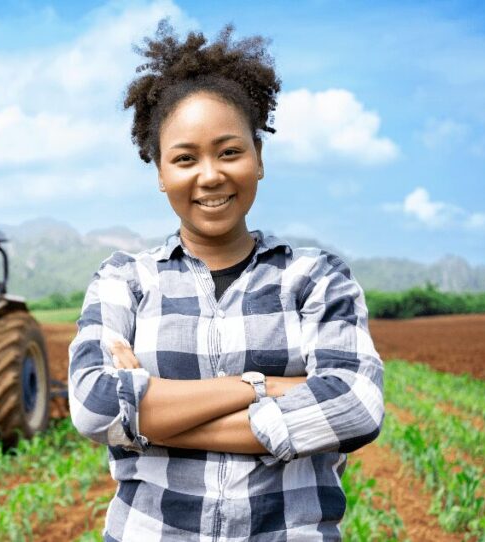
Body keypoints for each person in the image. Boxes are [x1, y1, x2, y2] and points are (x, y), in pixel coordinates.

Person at [68, 21, 384, 541]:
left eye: (229, 151)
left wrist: (148, 421)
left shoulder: (317, 278)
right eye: (185, 158)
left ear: (258, 158)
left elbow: (353, 406)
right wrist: (261, 386)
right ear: (160, 172)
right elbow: (97, 405)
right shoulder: (124, 280)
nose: (209, 174)